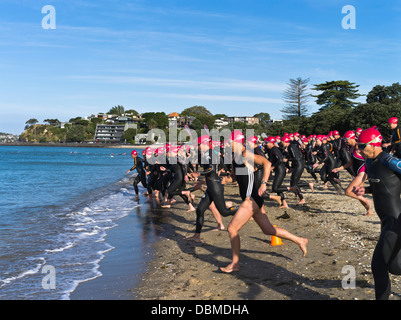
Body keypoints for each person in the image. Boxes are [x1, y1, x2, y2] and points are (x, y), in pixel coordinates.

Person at [220, 130, 307, 273]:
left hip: (251, 199)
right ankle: (300, 240)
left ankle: (235, 263)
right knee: (268, 230)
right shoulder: (235, 158)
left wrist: (263, 183)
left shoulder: (245, 154)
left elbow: (266, 163)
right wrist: (223, 180)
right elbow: (234, 178)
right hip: (251, 199)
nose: (228, 145)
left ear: (237, 142)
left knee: (232, 229)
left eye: (230, 143)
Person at [352, 127, 401, 299]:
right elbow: (381, 185)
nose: (359, 150)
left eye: (362, 146)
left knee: (378, 265)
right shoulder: (369, 162)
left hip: (395, 221)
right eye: (358, 145)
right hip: (385, 221)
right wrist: (365, 189)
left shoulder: (389, 160)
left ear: (374, 144)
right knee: (395, 267)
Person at [184, 135, 238, 243]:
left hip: (215, 186)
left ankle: (242, 209)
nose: (198, 147)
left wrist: (198, 173)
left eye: (199, 144)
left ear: (204, 144)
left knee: (224, 212)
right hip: (211, 185)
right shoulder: (207, 154)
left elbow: (211, 168)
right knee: (200, 210)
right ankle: (197, 236)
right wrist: (201, 181)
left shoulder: (209, 153)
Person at [332, 131, 372, 216]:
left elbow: (369, 158)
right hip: (358, 173)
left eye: (346, 140)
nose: (345, 141)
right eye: (344, 140)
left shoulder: (359, 147)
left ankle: (367, 201)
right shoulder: (351, 148)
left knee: (348, 192)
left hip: (362, 173)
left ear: (352, 138)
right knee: (358, 193)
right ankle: (369, 211)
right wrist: (339, 168)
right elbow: (350, 163)